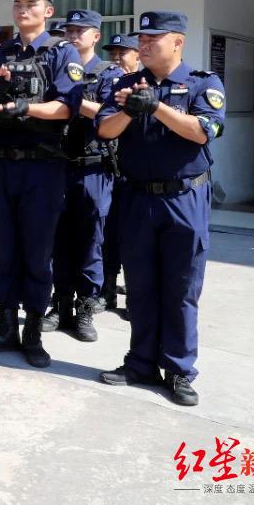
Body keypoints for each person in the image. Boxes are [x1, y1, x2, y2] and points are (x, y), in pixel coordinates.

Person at [95, 11, 224, 407]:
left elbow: (204, 130)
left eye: (154, 38)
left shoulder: (203, 83)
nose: (144, 45)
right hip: (136, 198)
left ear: (178, 43)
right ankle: (140, 363)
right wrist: (129, 110)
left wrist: (156, 108)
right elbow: (104, 130)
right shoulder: (126, 84)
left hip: (184, 199)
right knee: (141, 285)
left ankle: (180, 370)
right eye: (142, 39)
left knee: (181, 286)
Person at [0, 0, 83, 369]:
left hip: (41, 166)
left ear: (48, 11)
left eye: (31, 3)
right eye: (18, 3)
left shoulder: (61, 52)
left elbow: (67, 108)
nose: (23, 9)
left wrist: (23, 108)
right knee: (2, 249)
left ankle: (32, 330)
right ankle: (5, 327)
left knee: (36, 253)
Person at [48, 9, 123, 341]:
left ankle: (85, 307)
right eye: (69, 31)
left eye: (81, 31)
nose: (73, 36)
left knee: (90, 240)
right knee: (57, 238)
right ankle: (59, 303)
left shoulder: (109, 73)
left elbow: (112, 115)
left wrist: (74, 98)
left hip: (92, 166)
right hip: (57, 163)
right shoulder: (55, 67)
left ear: (96, 36)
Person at [99, 33, 141, 316]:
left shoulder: (143, 86)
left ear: (137, 55)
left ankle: (135, 297)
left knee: (137, 241)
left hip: (138, 175)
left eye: (122, 52)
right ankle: (108, 289)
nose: (116, 57)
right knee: (110, 234)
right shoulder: (115, 87)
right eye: (113, 52)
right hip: (112, 168)